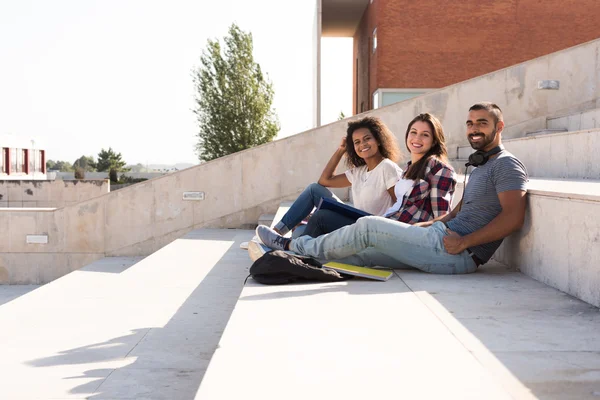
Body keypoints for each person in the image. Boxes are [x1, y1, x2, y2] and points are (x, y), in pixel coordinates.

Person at [255, 102, 528, 275]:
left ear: (499, 127)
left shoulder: (507, 165)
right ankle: (288, 258)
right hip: (437, 235)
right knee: (356, 255)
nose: (474, 129)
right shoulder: (479, 167)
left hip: (459, 253)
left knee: (369, 227)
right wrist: (426, 227)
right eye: (470, 123)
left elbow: (513, 218)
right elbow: (455, 211)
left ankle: (291, 243)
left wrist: (465, 242)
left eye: (482, 123)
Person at [301, 112, 456, 238]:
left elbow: (440, 217)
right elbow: (324, 180)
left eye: (425, 135)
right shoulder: (409, 169)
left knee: (320, 218)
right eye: (413, 132)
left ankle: (292, 254)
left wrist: (412, 231)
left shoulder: (433, 169)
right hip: (379, 223)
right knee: (312, 200)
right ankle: (287, 242)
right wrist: (341, 150)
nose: (417, 138)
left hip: (383, 227)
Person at [270, 116, 402, 237]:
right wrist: (340, 150)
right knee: (313, 190)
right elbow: (324, 181)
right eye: (357, 142)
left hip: (371, 228)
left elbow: (400, 207)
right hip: (356, 221)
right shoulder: (359, 172)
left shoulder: (387, 167)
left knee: (310, 225)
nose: (362, 144)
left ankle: (288, 243)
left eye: (367, 138)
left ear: (378, 140)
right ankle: (277, 233)